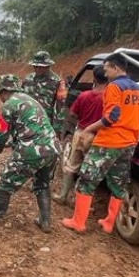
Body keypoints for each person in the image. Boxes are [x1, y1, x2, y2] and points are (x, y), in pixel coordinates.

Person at [62, 53, 139, 234]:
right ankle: (108, 223)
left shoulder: (114, 87)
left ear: (115, 68)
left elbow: (111, 117)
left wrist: (89, 129)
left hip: (109, 141)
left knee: (86, 180)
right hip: (129, 143)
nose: (105, 72)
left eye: (107, 68)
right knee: (119, 183)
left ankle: (78, 222)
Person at [0, 74, 59, 231]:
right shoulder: (30, 100)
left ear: (2, 91)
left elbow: (2, 134)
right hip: (52, 148)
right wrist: (8, 143)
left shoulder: (9, 104)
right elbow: (25, 132)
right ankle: (45, 221)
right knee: (42, 184)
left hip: (32, 151)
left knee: (5, 180)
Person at [53, 65, 106, 206]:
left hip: (80, 132)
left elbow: (72, 113)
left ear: (94, 78)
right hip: (97, 136)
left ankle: (63, 196)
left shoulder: (84, 95)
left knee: (71, 166)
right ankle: (81, 203)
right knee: (89, 171)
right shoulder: (108, 99)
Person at [22, 51, 67, 137]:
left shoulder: (57, 82)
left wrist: (57, 129)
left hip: (45, 124)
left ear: (48, 66)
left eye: (41, 67)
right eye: (35, 66)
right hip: (26, 122)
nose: (37, 69)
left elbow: (61, 107)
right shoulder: (27, 79)